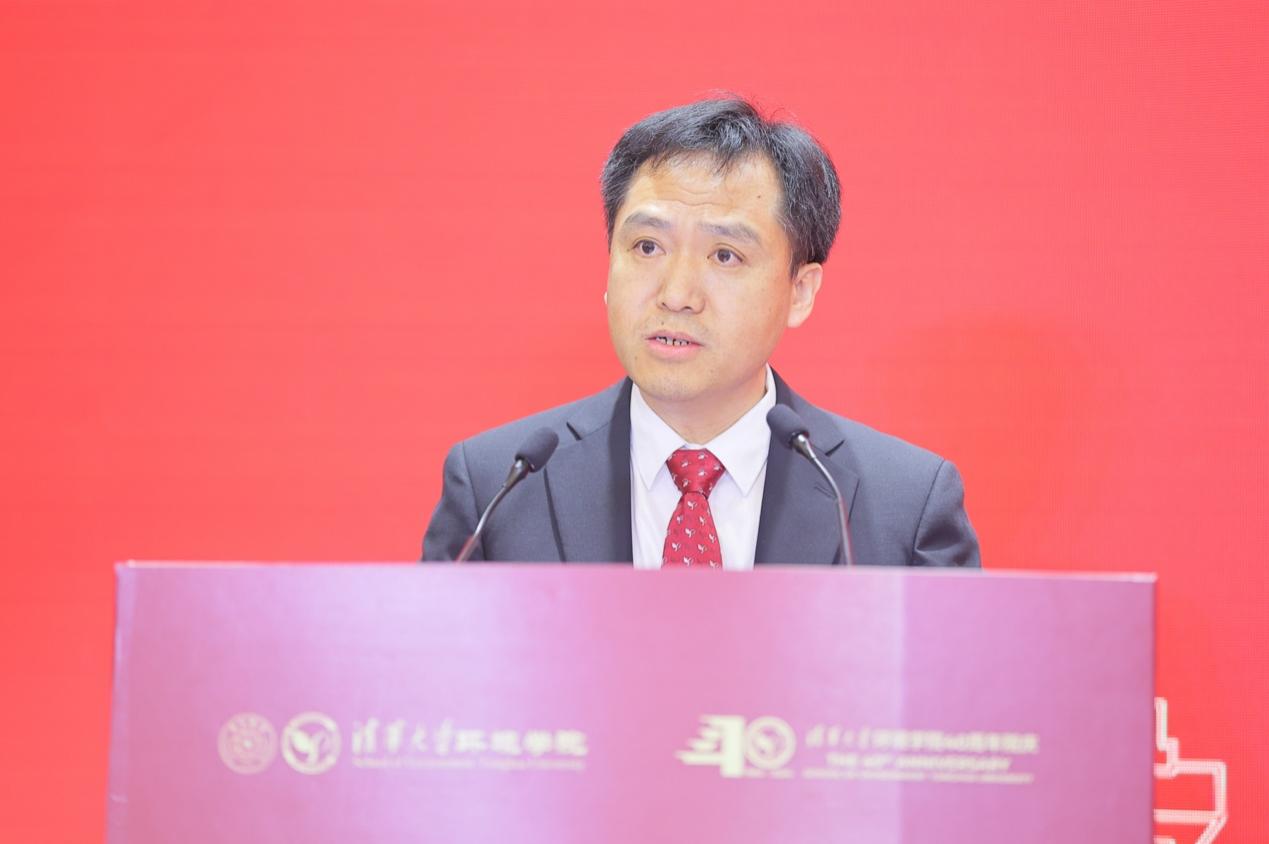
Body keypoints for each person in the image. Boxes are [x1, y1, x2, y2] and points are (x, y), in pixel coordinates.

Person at [422, 97, 979, 569]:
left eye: (725, 255)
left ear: (800, 291)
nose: (676, 294)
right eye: (647, 247)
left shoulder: (905, 507)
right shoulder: (498, 488)